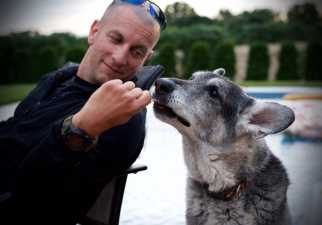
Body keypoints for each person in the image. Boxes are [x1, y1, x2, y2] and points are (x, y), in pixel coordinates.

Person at [0, 0, 166, 224]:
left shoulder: (123, 117)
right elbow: (15, 129)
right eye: (116, 39)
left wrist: (81, 128)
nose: (119, 57)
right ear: (94, 32)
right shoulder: (58, 78)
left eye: (137, 52)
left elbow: (37, 205)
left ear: (145, 58)